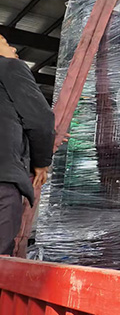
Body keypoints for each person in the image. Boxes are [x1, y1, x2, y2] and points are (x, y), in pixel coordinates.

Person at [0, 35, 54, 255]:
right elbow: (40, 120)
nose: (13, 48)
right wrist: (41, 162)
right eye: (5, 42)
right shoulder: (9, 67)